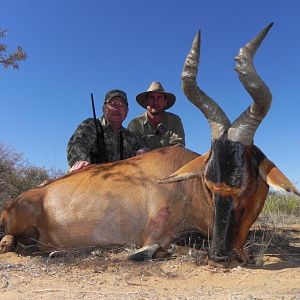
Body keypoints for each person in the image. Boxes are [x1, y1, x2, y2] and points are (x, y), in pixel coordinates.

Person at [67, 89, 147, 172]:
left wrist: (144, 152)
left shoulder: (130, 137)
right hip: (90, 177)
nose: (117, 108)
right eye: (112, 104)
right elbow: (76, 144)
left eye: (121, 105)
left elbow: (143, 149)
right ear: (104, 109)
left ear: (127, 111)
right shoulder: (90, 126)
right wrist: (80, 160)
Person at [127, 81, 185, 150]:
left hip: (169, 160)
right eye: (151, 98)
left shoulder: (174, 121)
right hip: (143, 160)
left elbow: (178, 148)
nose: (155, 102)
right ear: (146, 102)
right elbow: (130, 150)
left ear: (165, 102)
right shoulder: (135, 124)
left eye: (159, 97)